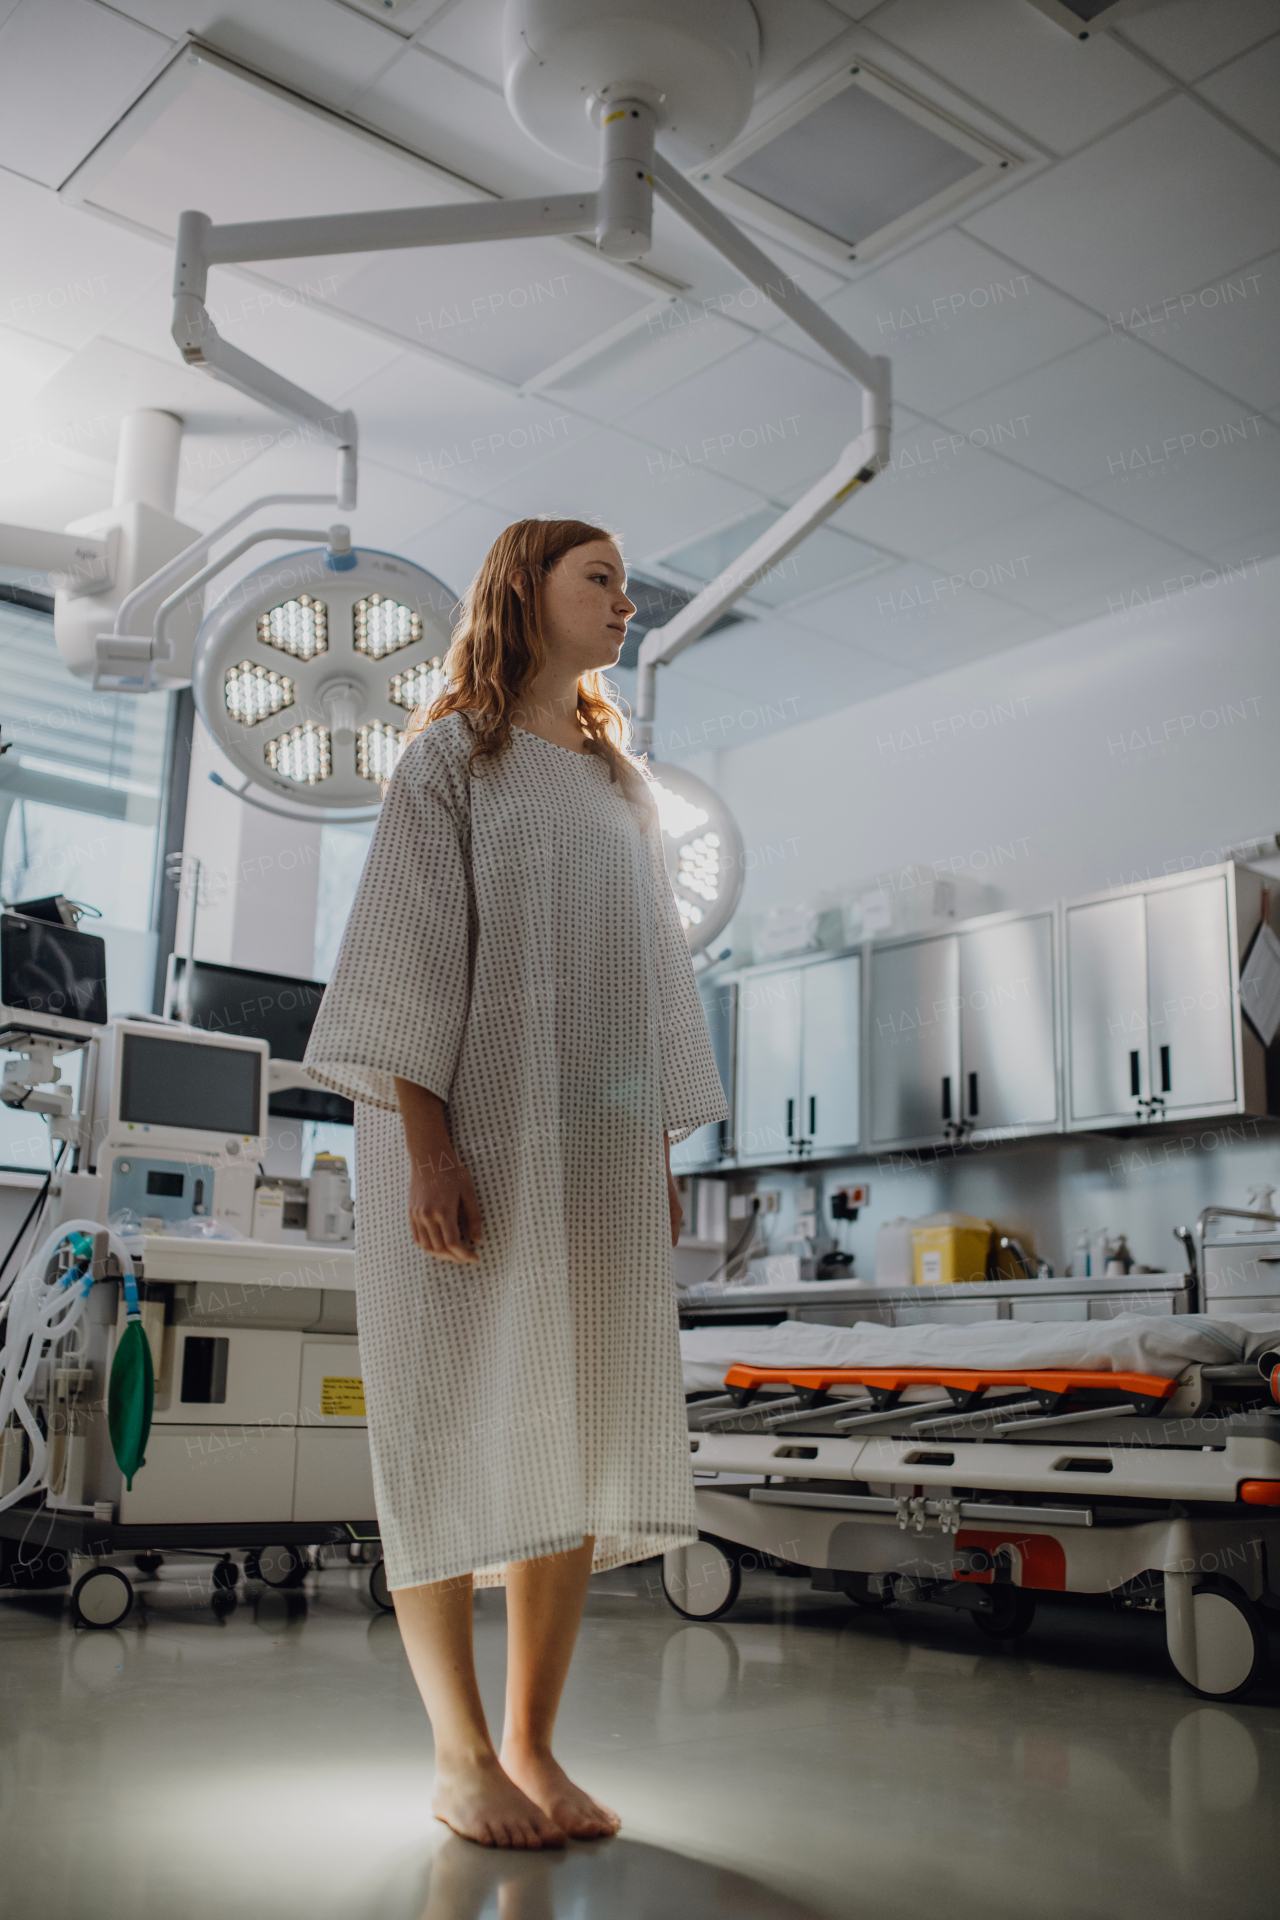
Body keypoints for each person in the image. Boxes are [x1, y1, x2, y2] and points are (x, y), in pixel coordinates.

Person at [304, 518, 727, 1849]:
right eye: (600, 578)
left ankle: (537, 1747)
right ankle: (459, 1752)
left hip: (592, 1163)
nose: (625, 602)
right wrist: (430, 1146)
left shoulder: (618, 784)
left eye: (623, 584)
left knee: (573, 1427)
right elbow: (404, 960)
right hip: (467, 1148)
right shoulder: (454, 759)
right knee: (438, 1421)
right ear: (526, 592)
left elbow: (655, 982)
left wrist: (651, 1152)